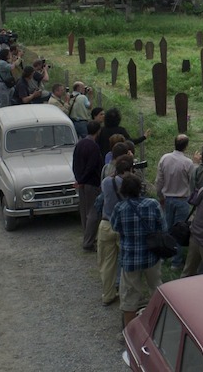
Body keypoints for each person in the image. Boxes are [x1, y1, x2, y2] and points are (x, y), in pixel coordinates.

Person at [110, 173, 163, 328]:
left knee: (129, 297)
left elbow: (114, 227)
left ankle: (129, 332)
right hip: (152, 256)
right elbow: (163, 227)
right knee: (156, 289)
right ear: (141, 188)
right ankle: (157, 326)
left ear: (123, 190)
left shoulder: (120, 208)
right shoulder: (153, 205)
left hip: (130, 258)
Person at [155, 134, 196, 269]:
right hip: (182, 199)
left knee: (166, 228)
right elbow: (192, 181)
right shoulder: (187, 163)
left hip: (167, 198)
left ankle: (163, 256)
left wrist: (160, 195)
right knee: (180, 231)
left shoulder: (165, 158)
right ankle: (176, 262)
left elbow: (159, 180)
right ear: (186, 146)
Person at [98, 155, 133, 306]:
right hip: (123, 226)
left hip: (106, 225)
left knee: (107, 263)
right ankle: (126, 295)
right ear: (129, 170)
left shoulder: (106, 182)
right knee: (125, 262)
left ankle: (107, 295)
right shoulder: (128, 184)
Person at [72, 120, 103, 252]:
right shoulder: (94, 146)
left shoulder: (80, 144)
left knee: (84, 212)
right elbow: (91, 166)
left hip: (82, 183)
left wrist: (79, 179)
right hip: (91, 183)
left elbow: (75, 164)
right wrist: (84, 179)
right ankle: (89, 242)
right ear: (98, 131)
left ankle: (87, 237)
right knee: (93, 213)